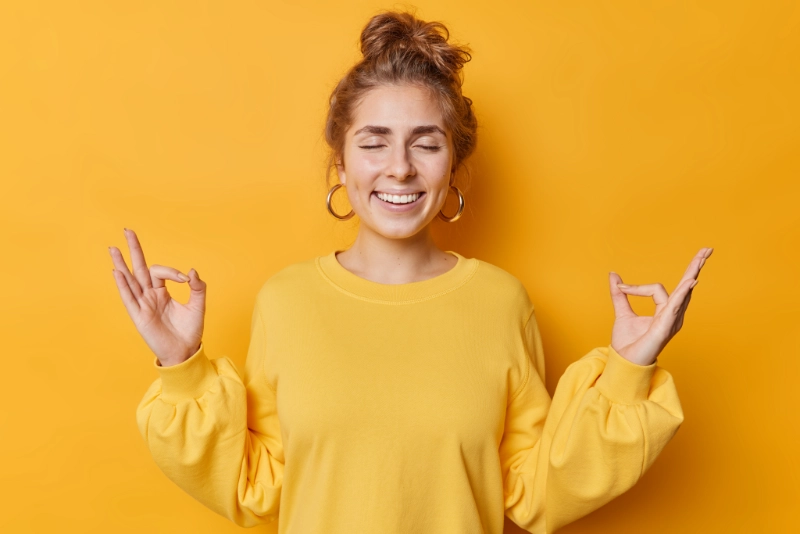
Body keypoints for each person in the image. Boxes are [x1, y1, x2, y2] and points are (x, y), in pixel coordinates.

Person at [108, 9, 712, 534]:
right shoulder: (286, 301)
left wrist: (629, 372)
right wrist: (182, 370)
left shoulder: (502, 303)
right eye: (374, 142)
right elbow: (257, 483)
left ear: (454, 166)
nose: (399, 168)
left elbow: (533, 489)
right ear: (340, 165)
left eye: (426, 143)